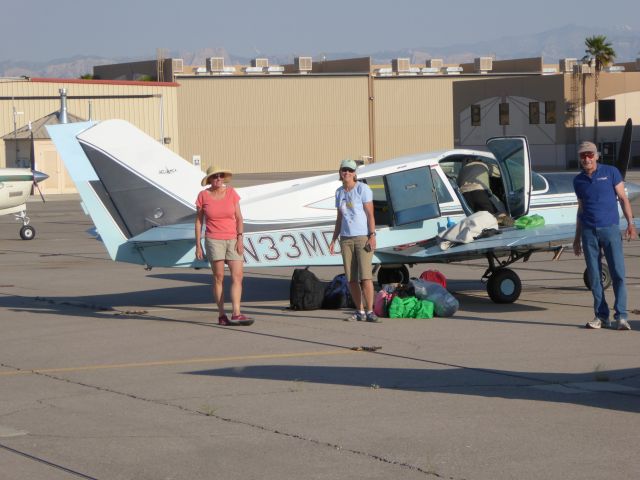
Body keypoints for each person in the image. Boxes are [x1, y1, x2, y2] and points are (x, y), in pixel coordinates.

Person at [573, 141, 637, 330]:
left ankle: (621, 317)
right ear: (580, 158)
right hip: (588, 231)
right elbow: (581, 208)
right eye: (583, 155)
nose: (587, 158)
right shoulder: (578, 181)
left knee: (618, 273)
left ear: (597, 156)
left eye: (590, 154)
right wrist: (577, 238)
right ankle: (601, 316)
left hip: (609, 229)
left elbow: (624, 199)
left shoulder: (611, 172)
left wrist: (631, 224)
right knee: (594, 276)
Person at [195, 165, 253, 326]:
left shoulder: (231, 193)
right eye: (215, 177)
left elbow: (239, 218)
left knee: (238, 276)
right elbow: (199, 222)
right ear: (209, 180)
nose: (218, 179)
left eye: (220, 176)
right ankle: (221, 315)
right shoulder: (203, 196)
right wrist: (198, 245)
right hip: (214, 240)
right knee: (218, 277)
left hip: (233, 239)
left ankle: (236, 312)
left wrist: (240, 238)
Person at [329, 159, 379, 322]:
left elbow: (370, 214)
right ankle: (360, 311)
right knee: (351, 279)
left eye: (350, 170)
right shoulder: (339, 192)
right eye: (344, 170)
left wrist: (372, 235)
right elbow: (339, 217)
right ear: (340, 172)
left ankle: (370, 311)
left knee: (366, 277)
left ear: (354, 173)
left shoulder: (362, 189)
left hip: (362, 237)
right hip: (346, 239)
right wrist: (334, 238)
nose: (347, 173)